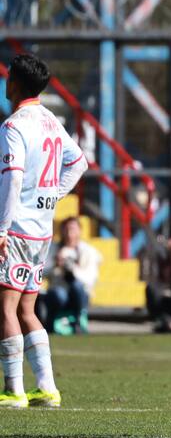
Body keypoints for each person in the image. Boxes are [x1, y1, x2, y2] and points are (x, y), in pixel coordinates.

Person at [0, 54, 88, 408]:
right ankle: (47, 388)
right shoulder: (50, 120)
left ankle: (13, 390)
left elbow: (13, 177)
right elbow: (78, 161)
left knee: (5, 309)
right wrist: (51, 197)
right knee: (26, 309)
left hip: (17, 228)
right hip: (41, 230)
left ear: (14, 84)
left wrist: (1, 227)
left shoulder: (13, 127)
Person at [43, 216, 102, 333]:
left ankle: (79, 321)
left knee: (77, 286)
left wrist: (73, 269)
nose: (69, 233)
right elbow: (41, 273)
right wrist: (55, 264)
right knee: (56, 293)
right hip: (60, 294)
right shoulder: (52, 249)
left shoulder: (89, 251)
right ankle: (50, 322)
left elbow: (91, 279)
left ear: (79, 231)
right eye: (66, 229)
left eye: (73, 229)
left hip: (80, 296)